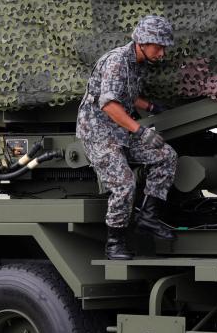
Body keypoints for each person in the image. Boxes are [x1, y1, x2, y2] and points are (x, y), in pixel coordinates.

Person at [76, 15, 178, 259]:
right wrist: (141, 131)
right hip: (98, 131)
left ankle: (148, 217)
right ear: (143, 41)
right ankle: (115, 242)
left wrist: (152, 107)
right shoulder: (117, 61)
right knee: (124, 184)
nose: (162, 52)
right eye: (159, 46)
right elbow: (109, 105)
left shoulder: (138, 63)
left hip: (121, 129)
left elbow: (127, 95)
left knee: (166, 156)